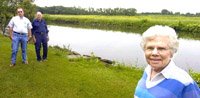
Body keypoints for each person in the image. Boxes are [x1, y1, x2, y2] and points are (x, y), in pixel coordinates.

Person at [134, 25, 200, 98]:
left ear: (172, 52)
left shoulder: (184, 82)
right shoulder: (148, 70)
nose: (154, 53)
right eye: (150, 48)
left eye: (161, 48)